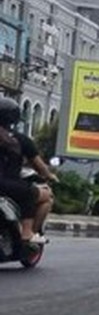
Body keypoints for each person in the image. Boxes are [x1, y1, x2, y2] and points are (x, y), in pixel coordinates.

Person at [0, 97, 56, 247]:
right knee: (44, 195)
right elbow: (40, 167)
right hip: (7, 185)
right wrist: (49, 175)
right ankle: (28, 233)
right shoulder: (21, 140)